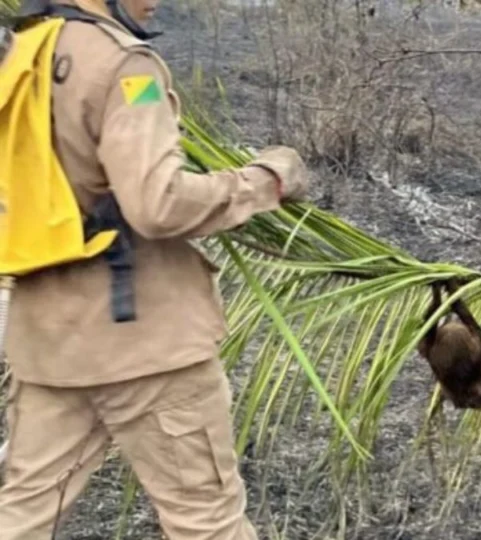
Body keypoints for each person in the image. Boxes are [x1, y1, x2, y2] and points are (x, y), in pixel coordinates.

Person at [0, 0, 309, 537]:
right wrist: (265, 182)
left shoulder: (21, 52)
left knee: (23, 514)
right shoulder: (126, 69)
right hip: (145, 349)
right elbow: (158, 203)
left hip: (47, 344)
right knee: (206, 520)